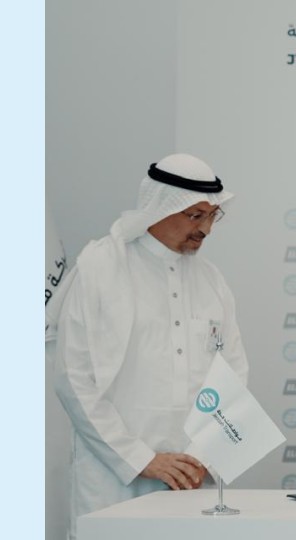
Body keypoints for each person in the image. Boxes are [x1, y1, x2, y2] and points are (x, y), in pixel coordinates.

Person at [47, 154, 248, 537]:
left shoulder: (212, 281)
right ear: (160, 207)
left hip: (193, 479)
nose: (206, 229)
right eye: (195, 215)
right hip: (114, 479)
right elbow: (74, 379)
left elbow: (234, 376)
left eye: (213, 216)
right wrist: (141, 459)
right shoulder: (101, 268)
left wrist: (202, 456)